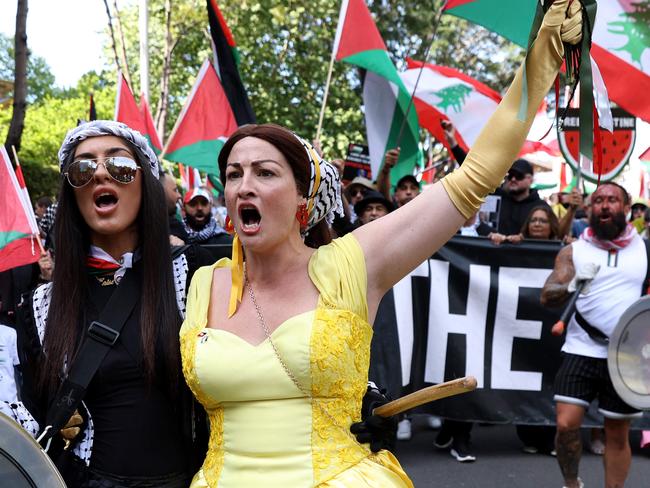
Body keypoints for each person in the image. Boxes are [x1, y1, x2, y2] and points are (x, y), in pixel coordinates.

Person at [180, 3, 582, 485]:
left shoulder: (353, 264)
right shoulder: (202, 282)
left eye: (265, 173)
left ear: (302, 199)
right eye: (233, 174)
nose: (244, 185)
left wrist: (544, 56)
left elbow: (472, 178)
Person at [3, 121, 211, 487]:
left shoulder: (196, 276)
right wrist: (53, 414)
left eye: (119, 166)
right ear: (72, 195)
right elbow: (30, 418)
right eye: (83, 169)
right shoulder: (41, 307)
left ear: (145, 182)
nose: (100, 173)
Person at [541, 182, 645, 488]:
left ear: (626, 209)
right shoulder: (574, 250)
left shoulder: (646, 249)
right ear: (589, 208)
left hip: (625, 356)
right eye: (598, 200)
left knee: (617, 433)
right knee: (565, 424)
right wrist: (571, 285)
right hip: (580, 348)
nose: (604, 205)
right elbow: (547, 295)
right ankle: (572, 483)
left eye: (612, 200)